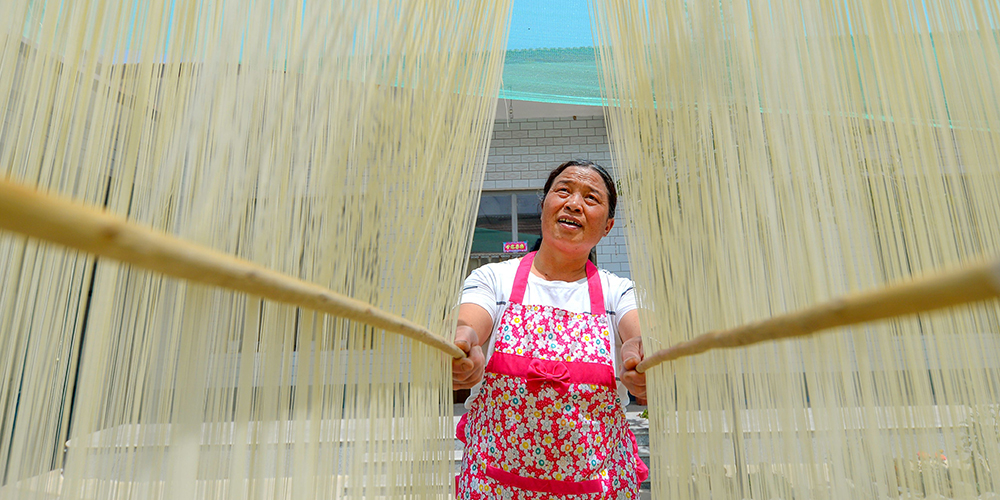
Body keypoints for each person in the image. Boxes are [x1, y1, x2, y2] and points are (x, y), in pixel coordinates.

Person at [452, 160, 648, 499]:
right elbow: (469, 323)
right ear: (544, 205)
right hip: (495, 488)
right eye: (563, 190)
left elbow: (640, 334)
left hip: (595, 490)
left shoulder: (618, 292)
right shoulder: (493, 280)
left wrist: (641, 353)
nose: (574, 203)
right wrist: (462, 344)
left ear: (608, 226)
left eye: (591, 198)